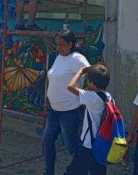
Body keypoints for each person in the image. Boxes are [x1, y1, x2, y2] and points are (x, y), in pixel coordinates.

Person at [43, 28, 90, 175]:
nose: (58, 47)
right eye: (57, 44)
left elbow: (93, 75)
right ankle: (49, 172)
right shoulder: (59, 57)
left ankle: (78, 171)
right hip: (54, 110)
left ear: (70, 44)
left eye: (61, 44)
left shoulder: (78, 59)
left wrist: (84, 96)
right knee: (47, 141)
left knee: (71, 146)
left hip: (69, 111)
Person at [64, 64, 112, 174]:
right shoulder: (108, 97)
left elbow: (70, 87)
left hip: (88, 145)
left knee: (72, 171)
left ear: (91, 82)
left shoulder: (92, 97)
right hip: (101, 144)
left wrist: (80, 72)